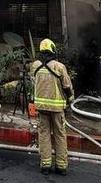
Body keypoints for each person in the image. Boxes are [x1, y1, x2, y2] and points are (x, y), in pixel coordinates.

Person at [31, 38, 74, 176]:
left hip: (41, 107)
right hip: (57, 108)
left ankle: (45, 164)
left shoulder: (35, 66)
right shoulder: (59, 67)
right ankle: (61, 165)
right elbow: (67, 86)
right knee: (60, 135)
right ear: (53, 50)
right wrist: (70, 99)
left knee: (44, 134)